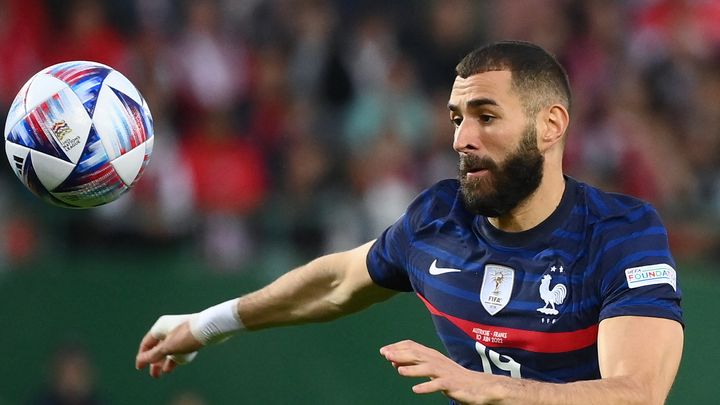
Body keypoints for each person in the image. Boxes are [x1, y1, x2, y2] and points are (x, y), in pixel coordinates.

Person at [136, 41, 683, 405]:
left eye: (485, 117)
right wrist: (206, 323)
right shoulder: (437, 221)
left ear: (550, 125)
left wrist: (486, 386)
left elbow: (638, 392)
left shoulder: (620, 233)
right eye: (455, 118)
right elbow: (334, 284)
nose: (461, 140)